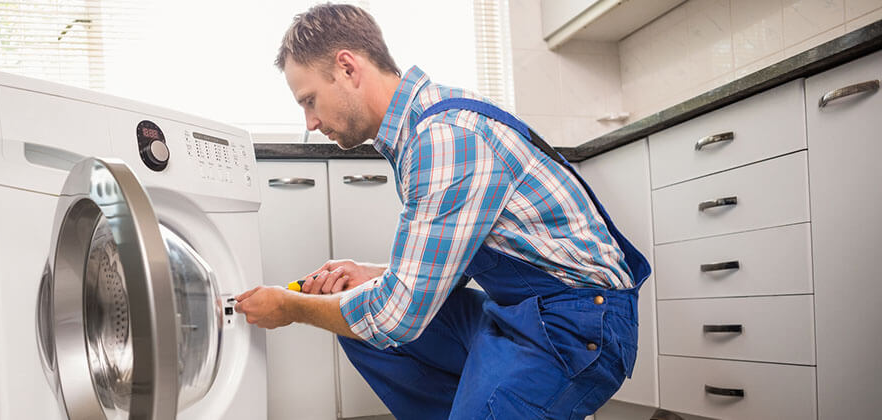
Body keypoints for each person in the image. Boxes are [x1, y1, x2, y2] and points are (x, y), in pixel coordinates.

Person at [234, 4, 650, 419]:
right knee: (353, 309)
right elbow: (457, 256)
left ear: (347, 68)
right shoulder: (418, 127)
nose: (309, 121)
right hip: (520, 313)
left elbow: (396, 317)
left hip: (577, 326)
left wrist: (289, 307)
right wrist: (375, 274)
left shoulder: (444, 137)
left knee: (373, 318)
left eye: (310, 100)